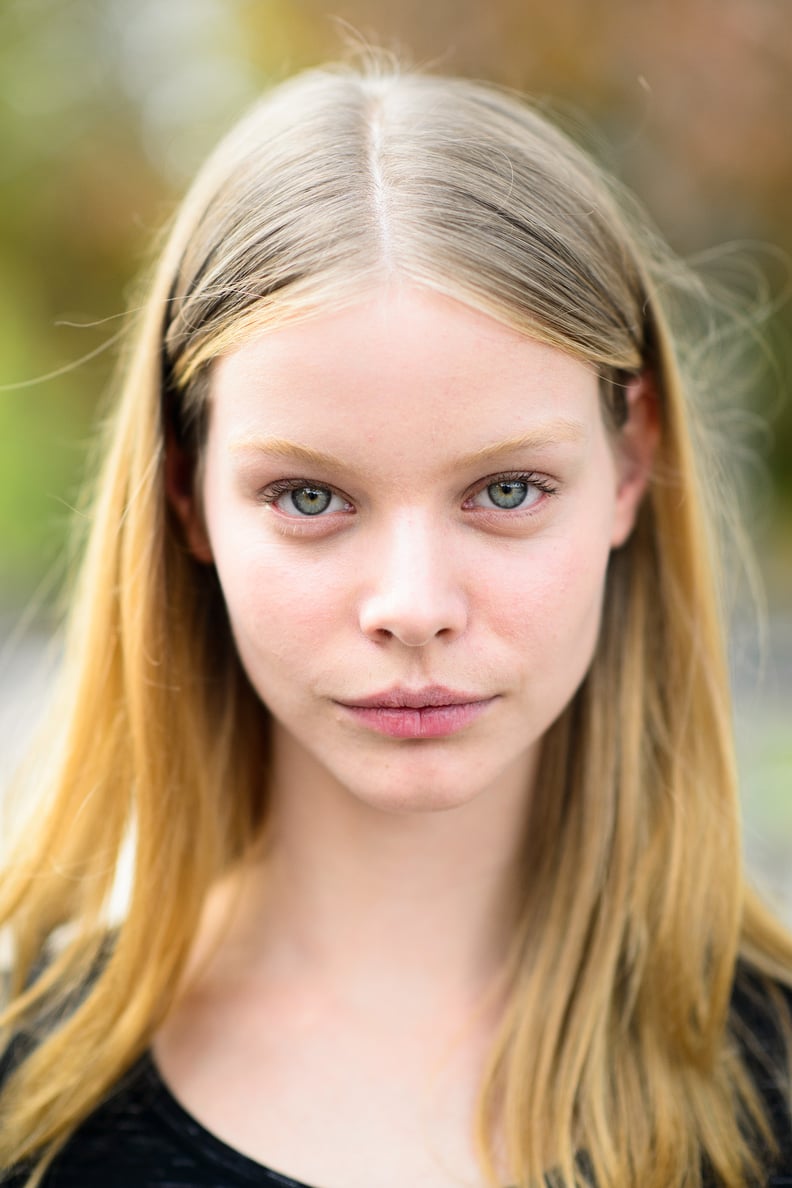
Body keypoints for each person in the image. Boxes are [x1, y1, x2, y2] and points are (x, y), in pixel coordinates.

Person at [1, 53, 791, 1188]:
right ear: (186, 496)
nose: (414, 607)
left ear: (631, 466)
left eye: (508, 490)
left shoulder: (776, 1091)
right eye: (311, 497)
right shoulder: (28, 1100)